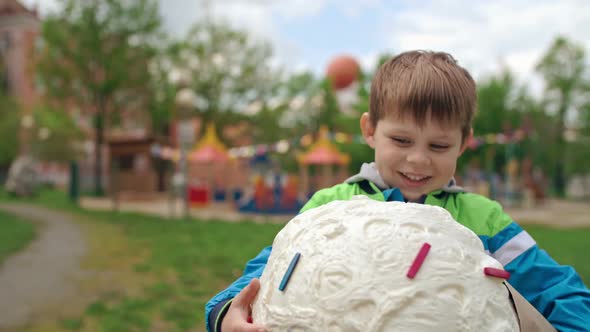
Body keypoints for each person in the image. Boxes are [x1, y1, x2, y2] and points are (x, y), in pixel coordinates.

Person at [205, 50, 590, 332]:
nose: (419, 160)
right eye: (402, 140)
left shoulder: (484, 220)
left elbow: (558, 289)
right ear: (370, 130)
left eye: (438, 146)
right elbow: (267, 271)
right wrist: (225, 315)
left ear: (465, 142)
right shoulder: (331, 207)